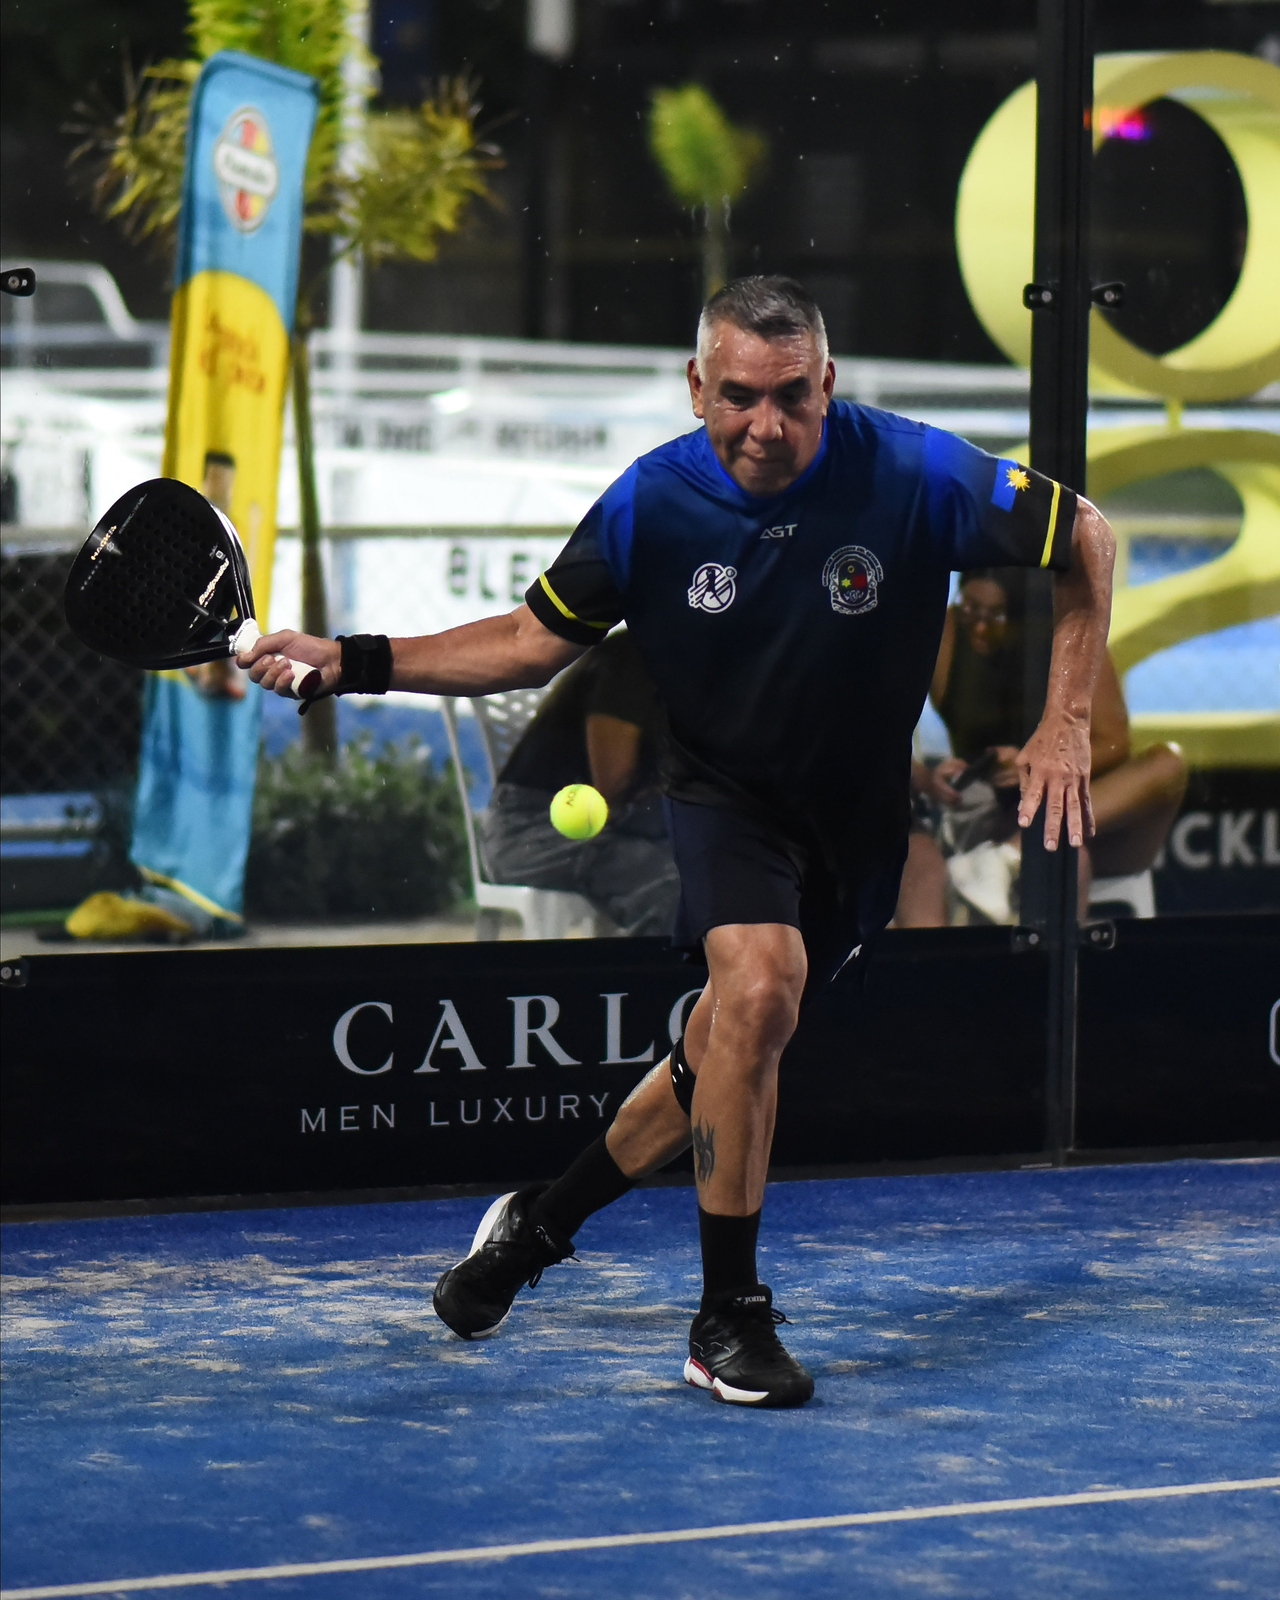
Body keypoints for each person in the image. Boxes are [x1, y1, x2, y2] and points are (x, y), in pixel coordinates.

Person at [239, 277, 1115, 1410]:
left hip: (855, 823)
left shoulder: (914, 470)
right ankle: (726, 1318)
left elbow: (1083, 535)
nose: (766, 425)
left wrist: (1065, 718)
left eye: (792, 395)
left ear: (828, 382)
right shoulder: (649, 503)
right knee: (757, 988)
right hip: (723, 797)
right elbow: (526, 640)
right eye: (739, 396)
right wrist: (353, 660)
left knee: (721, 1047)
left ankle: (534, 1229)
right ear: (697, 387)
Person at [894, 566, 1187, 927]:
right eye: (970, 607)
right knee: (1062, 852)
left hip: (1078, 804)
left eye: (995, 616)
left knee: (1168, 763)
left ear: (1024, 615)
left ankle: (1007, 858)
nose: (979, 626)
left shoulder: (1070, 638)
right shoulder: (946, 634)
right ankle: (1005, 861)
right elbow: (877, 723)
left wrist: (1034, 766)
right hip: (1003, 807)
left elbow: (1114, 744)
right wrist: (927, 778)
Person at [478, 628, 680, 935]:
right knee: (670, 882)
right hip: (529, 829)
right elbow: (614, 791)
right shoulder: (636, 656)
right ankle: (663, 966)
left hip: (616, 829)